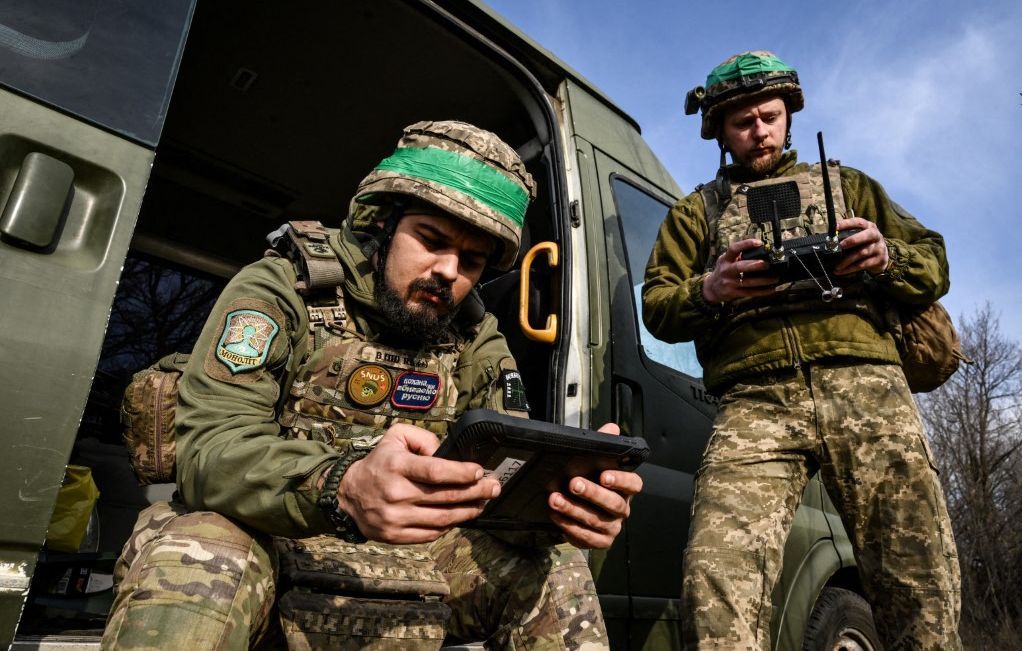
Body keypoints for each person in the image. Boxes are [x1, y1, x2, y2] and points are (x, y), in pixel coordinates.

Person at [102, 120, 643, 650]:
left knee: (556, 567)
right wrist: (342, 486)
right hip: (271, 543)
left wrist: (558, 511)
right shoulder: (285, 286)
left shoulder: (475, 334)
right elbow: (210, 451)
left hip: (420, 554)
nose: (448, 271)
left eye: (472, 261)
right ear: (381, 223)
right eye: (431, 240)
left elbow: (498, 483)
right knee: (199, 552)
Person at [642, 52, 961, 650]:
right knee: (718, 572)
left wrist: (885, 256)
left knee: (916, 568)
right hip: (753, 399)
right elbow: (656, 305)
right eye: (743, 122)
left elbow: (935, 262)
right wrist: (711, 288)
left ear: (789, 116)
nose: (759, 131)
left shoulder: (850, 187)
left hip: (866, 385)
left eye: (770, 116)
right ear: (720, 131)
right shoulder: (696, 212)